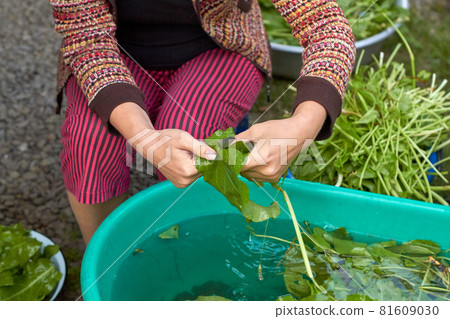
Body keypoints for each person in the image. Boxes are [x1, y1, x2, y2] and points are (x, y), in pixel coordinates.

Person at [48, 0, 355, 245]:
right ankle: (109, 261)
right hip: (113, 54)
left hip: (219, 49)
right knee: (87, 142)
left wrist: (302, 125)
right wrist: (143, 135)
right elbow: (87, 39)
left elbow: (325, 26)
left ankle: (186, 256)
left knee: (192, 137)